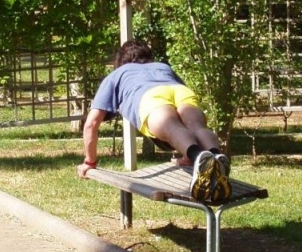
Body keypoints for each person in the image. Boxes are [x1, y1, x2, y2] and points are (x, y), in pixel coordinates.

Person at [77, 40, 231, 203]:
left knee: (172, 128)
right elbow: (187, 121)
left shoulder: (117, 74)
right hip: (179, 90)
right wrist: (186, 158)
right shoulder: (163, 67)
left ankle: (198, 156)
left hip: (150, 96)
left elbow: (91, 124)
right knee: (197, 126)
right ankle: (216, 156)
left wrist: (90, 162)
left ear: (120, 60)